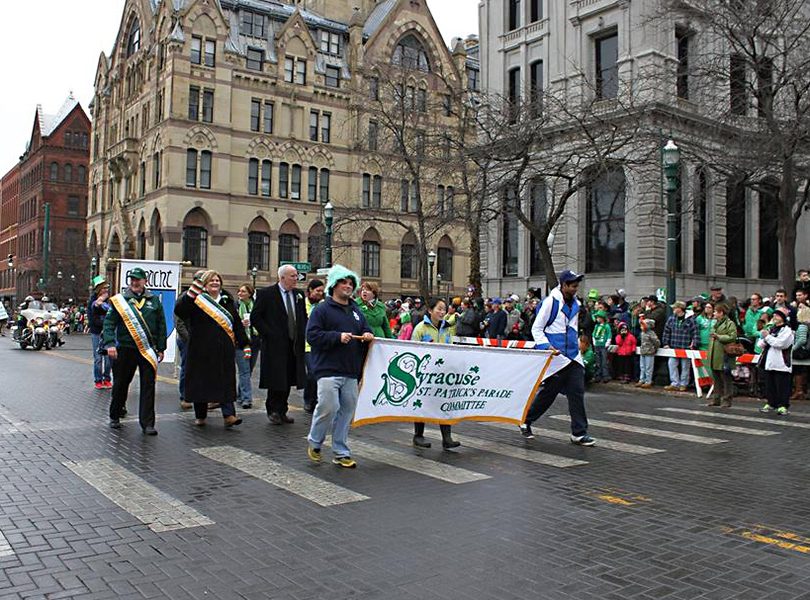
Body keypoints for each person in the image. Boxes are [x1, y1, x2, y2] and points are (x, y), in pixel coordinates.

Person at [305, 265, 373, 468]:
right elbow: (312, 335)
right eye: (344, 282)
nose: (348, 286)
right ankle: (315, 442)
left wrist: (368, 336)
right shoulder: (321, 310)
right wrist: (336, 337)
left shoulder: (356, 312)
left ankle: (340, 451)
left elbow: (365, 329)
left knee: (347, 410)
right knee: (328, 406)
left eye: (351, 283)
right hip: (327, 368)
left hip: (350, 370)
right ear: (334, 285)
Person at [520, 269, 595, 446]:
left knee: (577, 393)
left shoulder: (575, 303)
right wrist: (547, 346)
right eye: (573, 285)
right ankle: (525, 420)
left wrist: (577, 346)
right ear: (564, 285)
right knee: (548, 394)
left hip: (573, 357)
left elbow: (573, 327)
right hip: (556, 358)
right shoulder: (550, 303)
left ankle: (579, 432)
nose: (576, 288)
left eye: (577, 285)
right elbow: (536, 329)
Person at [175, 270, 250, 426]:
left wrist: (244, 342)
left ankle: (229, 415)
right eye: (211, 281)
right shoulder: (196, 300)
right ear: (205, 284)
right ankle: (200, 415)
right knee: (201, 382)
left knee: (226, 381)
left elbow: (235, 322)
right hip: (201, 348)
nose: (215, 283)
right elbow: (180, 311)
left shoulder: (227, 300)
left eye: (217, 280)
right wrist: (192, 293)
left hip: (224, 349)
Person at [102, 267, 167, 434]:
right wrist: (110, 344)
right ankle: (115, 415)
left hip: (147, 350)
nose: (134, 282)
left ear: (145, 281)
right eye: (132, 279)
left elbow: (161, 325)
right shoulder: (120, 301)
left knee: (148, 386)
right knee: (121, 384)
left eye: (138, 279)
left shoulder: (154, 301)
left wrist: (161, 348)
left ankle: (148, 423)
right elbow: (109, 324)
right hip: (125, 348)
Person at [251, 264, 307, 424]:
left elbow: (302, 317)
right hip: (274, 345)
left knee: (289, 378)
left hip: (294, 345)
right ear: (282, 278)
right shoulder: (267, 294)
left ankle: (283, 410)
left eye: (296, 276)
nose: (296, 279)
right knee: (276, 378)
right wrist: (268, 334)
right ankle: (273, 410)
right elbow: (256, 317)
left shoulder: (298, 295)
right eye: (293, 276)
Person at [411, 297, 460, 449]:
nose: (442, 312)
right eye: (438, 309)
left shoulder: (447, 329)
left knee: (445, 403)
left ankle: (447, 438)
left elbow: (451, 349)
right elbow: (414, 350)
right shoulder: (420, 328)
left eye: (444, 309)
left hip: (443, 374)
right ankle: (418, 436)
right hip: (425, 373)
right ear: (430, 311)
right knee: (422, 404)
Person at [758, 308, 795, 416]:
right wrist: (765, 337)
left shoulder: (787, 330)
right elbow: (760, 345)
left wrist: (767, 337)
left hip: (782, 363)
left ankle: (783, 405)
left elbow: (781, 344)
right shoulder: (771, 329)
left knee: (782, 386)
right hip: (770, 363)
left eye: (777, 316)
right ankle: (771, 403)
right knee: (770, 385)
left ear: (783, 318)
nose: (774, 317)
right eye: (773, 315)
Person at [662, 301, 699, 392]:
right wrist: (665, 343)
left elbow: (695, 333)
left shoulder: (691, 319)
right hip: (674, 346)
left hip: (685, 347)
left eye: (675, 308)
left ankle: (684, 384)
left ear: (680, 308)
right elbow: (666, 331)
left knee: (685, 366)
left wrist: (694, 344)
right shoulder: (671, 319)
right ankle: (675, 383)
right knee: (672, 364)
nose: (673, 309)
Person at [706, 303, 737, 408]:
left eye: (715, 311)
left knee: (725, 378)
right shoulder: (716, 323)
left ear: (721, 313)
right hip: (715, 354)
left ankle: (727, 399)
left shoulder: (729, 324)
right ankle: (716, 398)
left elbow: (733, 336)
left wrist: (719, 336)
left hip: (724, 355)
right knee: (716, 379)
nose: (714, 313)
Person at [87, 276, 112, 390]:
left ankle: (107, 378)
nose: (106, 291)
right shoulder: (92, 302)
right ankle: (98, 380)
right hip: (96, 332)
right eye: (104, 288)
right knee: (98, 358)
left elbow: (112, 315)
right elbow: (92, 318)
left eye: (107, 288)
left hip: (107, 332)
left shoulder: (110, 301)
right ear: (99, 289)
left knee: (108, 358)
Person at [303, 279, 325, 413]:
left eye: (322, 291)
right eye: (318, 291)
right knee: (312, 373)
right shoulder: (301, 304)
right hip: (307, 345)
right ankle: (308, 400)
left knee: (321, 374)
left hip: (321, 344)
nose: (320, 294)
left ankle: (317, 399)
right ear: (310, 290)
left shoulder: (324, 305)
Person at [235, 283, 256, 409]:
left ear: (249, 293)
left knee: (248, 370)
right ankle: (246, 399)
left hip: (254, 341)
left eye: (243, 291)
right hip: (241, 342)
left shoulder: (256, 306)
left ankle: (240, 395)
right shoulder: (235, 305)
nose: (240, 294)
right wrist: (240, 323)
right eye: (239, 291)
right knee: (245, 370)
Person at [637, 318, 660, 389]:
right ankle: (642, 379)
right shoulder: (642, 333)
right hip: (643, 352)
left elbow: (657, 342)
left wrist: (654, 348)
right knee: (642, 367)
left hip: (649, 352)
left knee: (648, 368)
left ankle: (648, 381)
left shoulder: (651, 333)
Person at [592, 310, 612, 383]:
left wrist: (607, 342)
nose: (597, 319)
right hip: (597, 345)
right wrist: (594, 340)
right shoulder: (596, 326)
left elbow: (609, 334)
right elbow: (593, 334)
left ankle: (605, 376)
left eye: (598, 317)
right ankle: (598, 375)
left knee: (604, 361)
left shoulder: (606, 326)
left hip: (603, 345)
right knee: (598, 361)